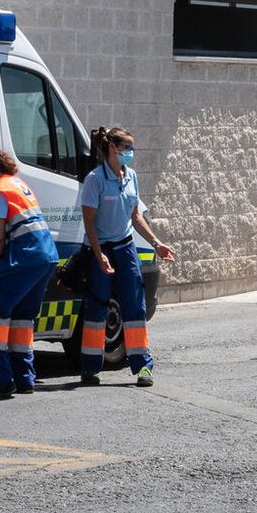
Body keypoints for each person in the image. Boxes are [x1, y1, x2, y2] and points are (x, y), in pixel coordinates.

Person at [79, 126, 176, 387]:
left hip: (125, 247)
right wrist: (99, 255)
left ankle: (143, 367)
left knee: (135, 307)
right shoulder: (94, 179)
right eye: (127, 148)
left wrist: (156, 243)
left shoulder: (131, 176)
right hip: (100, 248)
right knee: (98, 306)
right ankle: (90, 367)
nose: (131, 153)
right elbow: (89, 222)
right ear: (112, 148)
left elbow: (136, 217)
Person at [0, 146, 60, 398]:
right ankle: (25, 378)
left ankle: (0, 380)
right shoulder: (17, 184)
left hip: (23, 259)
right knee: (21, 319)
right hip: (45, 258)